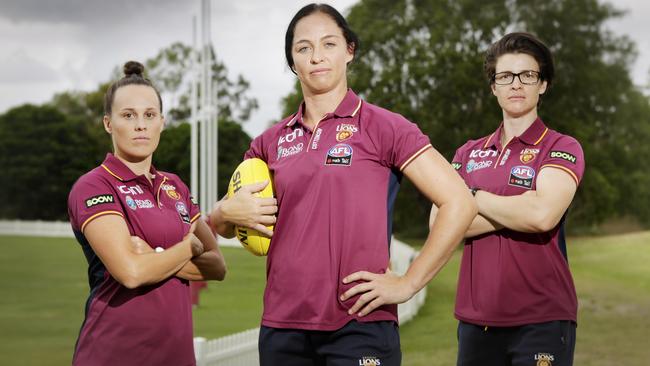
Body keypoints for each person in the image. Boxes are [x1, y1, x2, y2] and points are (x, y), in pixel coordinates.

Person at [209, 4, 476, 365]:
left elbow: (459, 202)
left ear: (349, 50)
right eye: (304, 48)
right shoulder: (267, 143)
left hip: (360, 323)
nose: (317, 56)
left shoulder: (386, 127)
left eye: (329, 44)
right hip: (282, 327)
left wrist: (409, 282)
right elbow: (224, 225)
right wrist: (224, 211)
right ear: (292, 62)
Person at [433, 32, 585, 366]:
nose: (516, 84)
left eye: (527, 75)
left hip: (542, 317)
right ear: (494, 87)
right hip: (476, 320)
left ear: (542, 84)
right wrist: (519, 205)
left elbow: (542, 215)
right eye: (505, 76)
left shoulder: (561, 146)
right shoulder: (467, 153)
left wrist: (471, 197)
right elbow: (439, 222)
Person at [67, 61, 227, 366]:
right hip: (112, 354)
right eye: (128, 116)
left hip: (176, 357)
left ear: (162, 122)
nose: (141, 125)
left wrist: (153, 255)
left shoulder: (175, 186)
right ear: (108, 123)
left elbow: (217, 266)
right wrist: (187, 248)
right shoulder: (93, 185)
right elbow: (131, 273)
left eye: (149, 115)